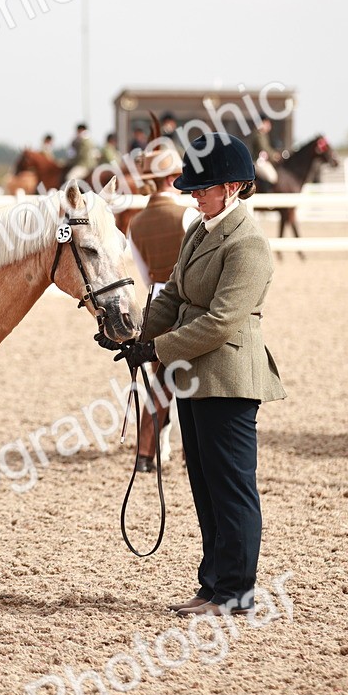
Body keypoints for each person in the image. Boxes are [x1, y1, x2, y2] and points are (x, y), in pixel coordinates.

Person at [104, 133, 286, 617]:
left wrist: (156, 347)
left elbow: (222, 320)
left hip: (228, 377)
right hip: (194, 375)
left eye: (202, 188)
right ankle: (213, 585)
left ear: (232, 187)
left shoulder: (247, 243)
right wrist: (133, 334)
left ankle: (237, 591)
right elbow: (173, 296)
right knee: (204, 484)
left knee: (231, 486)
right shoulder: (199, 231)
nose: (193, 194)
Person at [124, 143, 200, 472]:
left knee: (160, 381)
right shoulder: (188, 215)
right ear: (174, 177)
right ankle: (191, 449)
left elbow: (142, 274)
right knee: (195, 379)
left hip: (155, 302)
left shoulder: (135, 224)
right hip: (186, 304)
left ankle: (146, 453)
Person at [246, 116, 280, 184]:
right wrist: (274, 155)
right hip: (258, 162)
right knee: (272, 177)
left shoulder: (263, 135)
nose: (269, 126)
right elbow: (264, 148)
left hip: (262, 161)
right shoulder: (258, 134)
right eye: (267, 124)